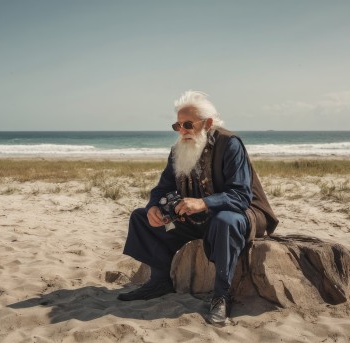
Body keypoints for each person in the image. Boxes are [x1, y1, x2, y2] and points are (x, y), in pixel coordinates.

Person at [118, 90, 278, 325]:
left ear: (208, 123)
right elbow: (162, 188)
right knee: (141, 218)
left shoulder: (229, 144)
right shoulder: (178, 150)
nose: (182, 130)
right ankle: (160, 281)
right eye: (177, 125)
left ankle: (221, 296)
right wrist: (153, 206)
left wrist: (204, 202)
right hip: (198, 218)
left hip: (241, 214)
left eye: (188, 124)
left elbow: (241, 195)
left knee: (224, 220)